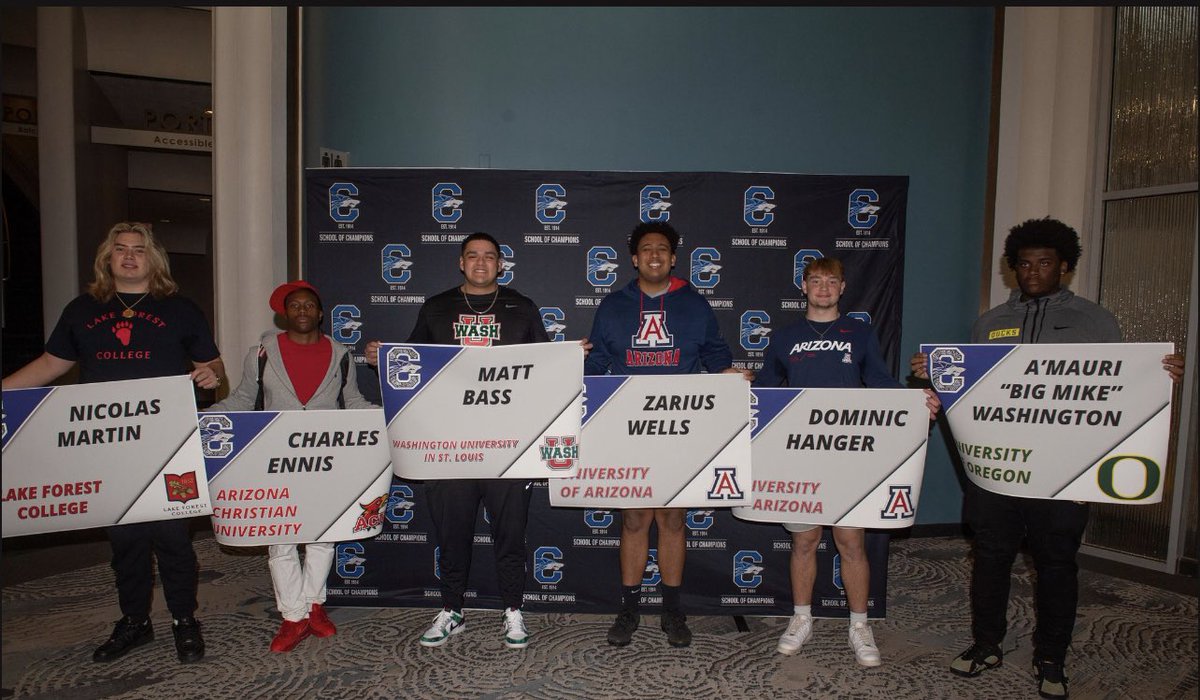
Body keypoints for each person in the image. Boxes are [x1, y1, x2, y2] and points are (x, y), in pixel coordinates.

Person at [910, 217, 1185, 699]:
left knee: (1057, 563)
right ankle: (986, 644)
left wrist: (1159, 374)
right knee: (990, 558)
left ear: (1065, 266)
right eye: (1023, 264)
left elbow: (1119, 387)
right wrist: (934, 372)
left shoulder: (1094, 320)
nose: (1033, 271)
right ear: (1013, 269)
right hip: (997, 473)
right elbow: (973, 390)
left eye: (1044, 262)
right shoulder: (990, 322)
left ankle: (1051, 656)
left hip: (1064, 476)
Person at [3, 222, 224, 664]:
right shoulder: (82, 310)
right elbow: (50, 364)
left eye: (138, 250)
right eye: (120, 249)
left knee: (173, 539)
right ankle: (134, 622)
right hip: (106, 448)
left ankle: (185, 620)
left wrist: (211, 374)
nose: (128, 256)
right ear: (108, 257)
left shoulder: (179, 309)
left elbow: (212, 364)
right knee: (125, 541)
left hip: (167, 446)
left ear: (153, 258)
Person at [365, 232, 549, 650]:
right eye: (472, 256)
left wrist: (573, 358)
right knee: (452, 532)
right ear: (460, 263)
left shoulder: (521, 307)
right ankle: (452, 609)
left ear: (501, 265)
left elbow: (544, 365)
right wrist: (384, 357)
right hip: (449, 446)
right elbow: (410, 365)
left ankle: (513, 610)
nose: (481, 263)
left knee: (510, 533)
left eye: (489, 257)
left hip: (507, 444)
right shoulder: (437, 307)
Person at [755, 257, 940, 667]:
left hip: (847, 454)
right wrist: (739, 390)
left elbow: (878, 380)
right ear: (803, 286)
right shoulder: (785, 337)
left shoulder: (859, 333)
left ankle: (859, 624)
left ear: (842, 288)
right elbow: (767, 388)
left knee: (851, 542)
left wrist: (914, 402)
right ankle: (801, 618)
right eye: (815, 280)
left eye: (831, 281)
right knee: (804, 541)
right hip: (800, 454)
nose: (823, 287)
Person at [583, 221, 749, 649]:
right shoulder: (613, 306)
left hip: (681, 429)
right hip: (628, 430)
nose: (654, 255)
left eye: (662, 249)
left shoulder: (695, 305)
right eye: (646, 249)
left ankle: (673, 610)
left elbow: (715, 355)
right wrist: (569, 367)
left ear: (673, 258)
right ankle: (630, 607)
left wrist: (730, 376)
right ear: (634, 258)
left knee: (673, 519)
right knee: (635, 518)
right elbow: (597, 363)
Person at [206, 280, 378, 652]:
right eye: (295, 306)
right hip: (276, 459)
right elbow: (242, 399)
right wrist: (202, 416)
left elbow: (352, 400)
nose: (302, 311)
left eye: (309, 305)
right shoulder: (261, 354)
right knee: (280, 538)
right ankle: (292, 616)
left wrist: (388, 415)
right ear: (285, 314)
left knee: (322, 536)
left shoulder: (341, 352)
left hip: (327, 459)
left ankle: (315, 606)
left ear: (320, 313)